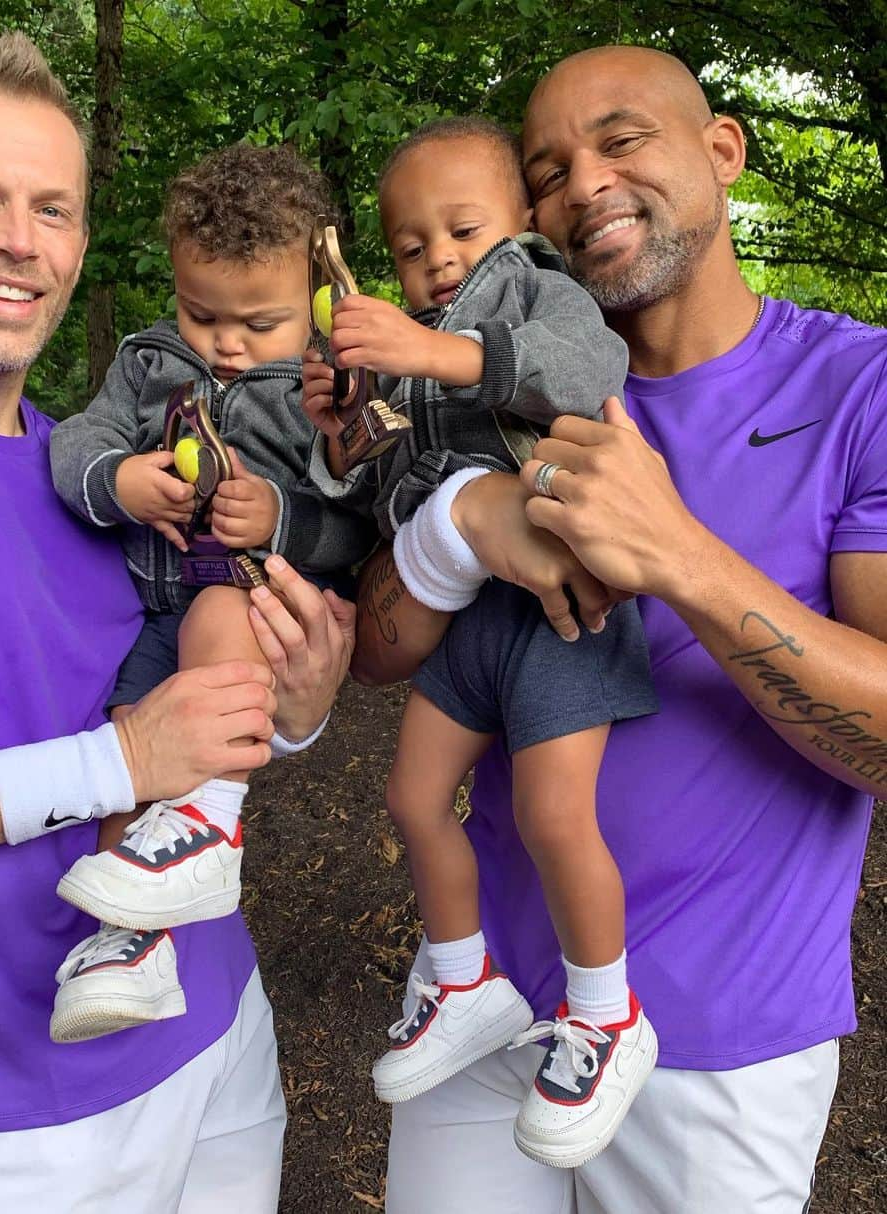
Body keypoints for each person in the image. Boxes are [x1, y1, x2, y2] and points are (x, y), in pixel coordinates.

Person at [0, 33, 352, 1214]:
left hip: (218, 1036)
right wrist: (118, 760)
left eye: (52, 208)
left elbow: (183, 700)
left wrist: (295, 713)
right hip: (17, 1121)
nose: (21, 239)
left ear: (83, 245)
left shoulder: (99, 466)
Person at [351, 45, 887, 1213]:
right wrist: (459, 522)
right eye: (546, 169)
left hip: (720, 1046)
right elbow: (378, 649)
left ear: (723, 149)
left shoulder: (859, 390)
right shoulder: (496, 386)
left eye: (621, 138)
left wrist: (678, 553)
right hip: (484, 1009)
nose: (582, 181)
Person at [302, 116, 658, 1161]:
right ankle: (463, 978)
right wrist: (344, 429)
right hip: (464, 609)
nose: (438, 259)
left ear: (519, 222)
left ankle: (606, 1012)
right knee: (410, 797)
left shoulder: (534, 290)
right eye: (410, 248)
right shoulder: (409, 351)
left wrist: (439, 350)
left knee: (555, 814)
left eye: (461, 229)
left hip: (562, 611)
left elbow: (584, 365)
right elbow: (379, 506)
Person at [47, 143, 372, 1044]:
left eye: (259, 323)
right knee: (126, 739)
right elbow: (75, 444)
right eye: (202, 314)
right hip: (163, 611)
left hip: (255, 606)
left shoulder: (323, 389)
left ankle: (211, 824)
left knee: (226, 609)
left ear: (311, 295)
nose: (228, 344)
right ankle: (128, 945)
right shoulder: (150, 365)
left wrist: (280, 514)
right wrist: (121, 480)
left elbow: (361, 524)